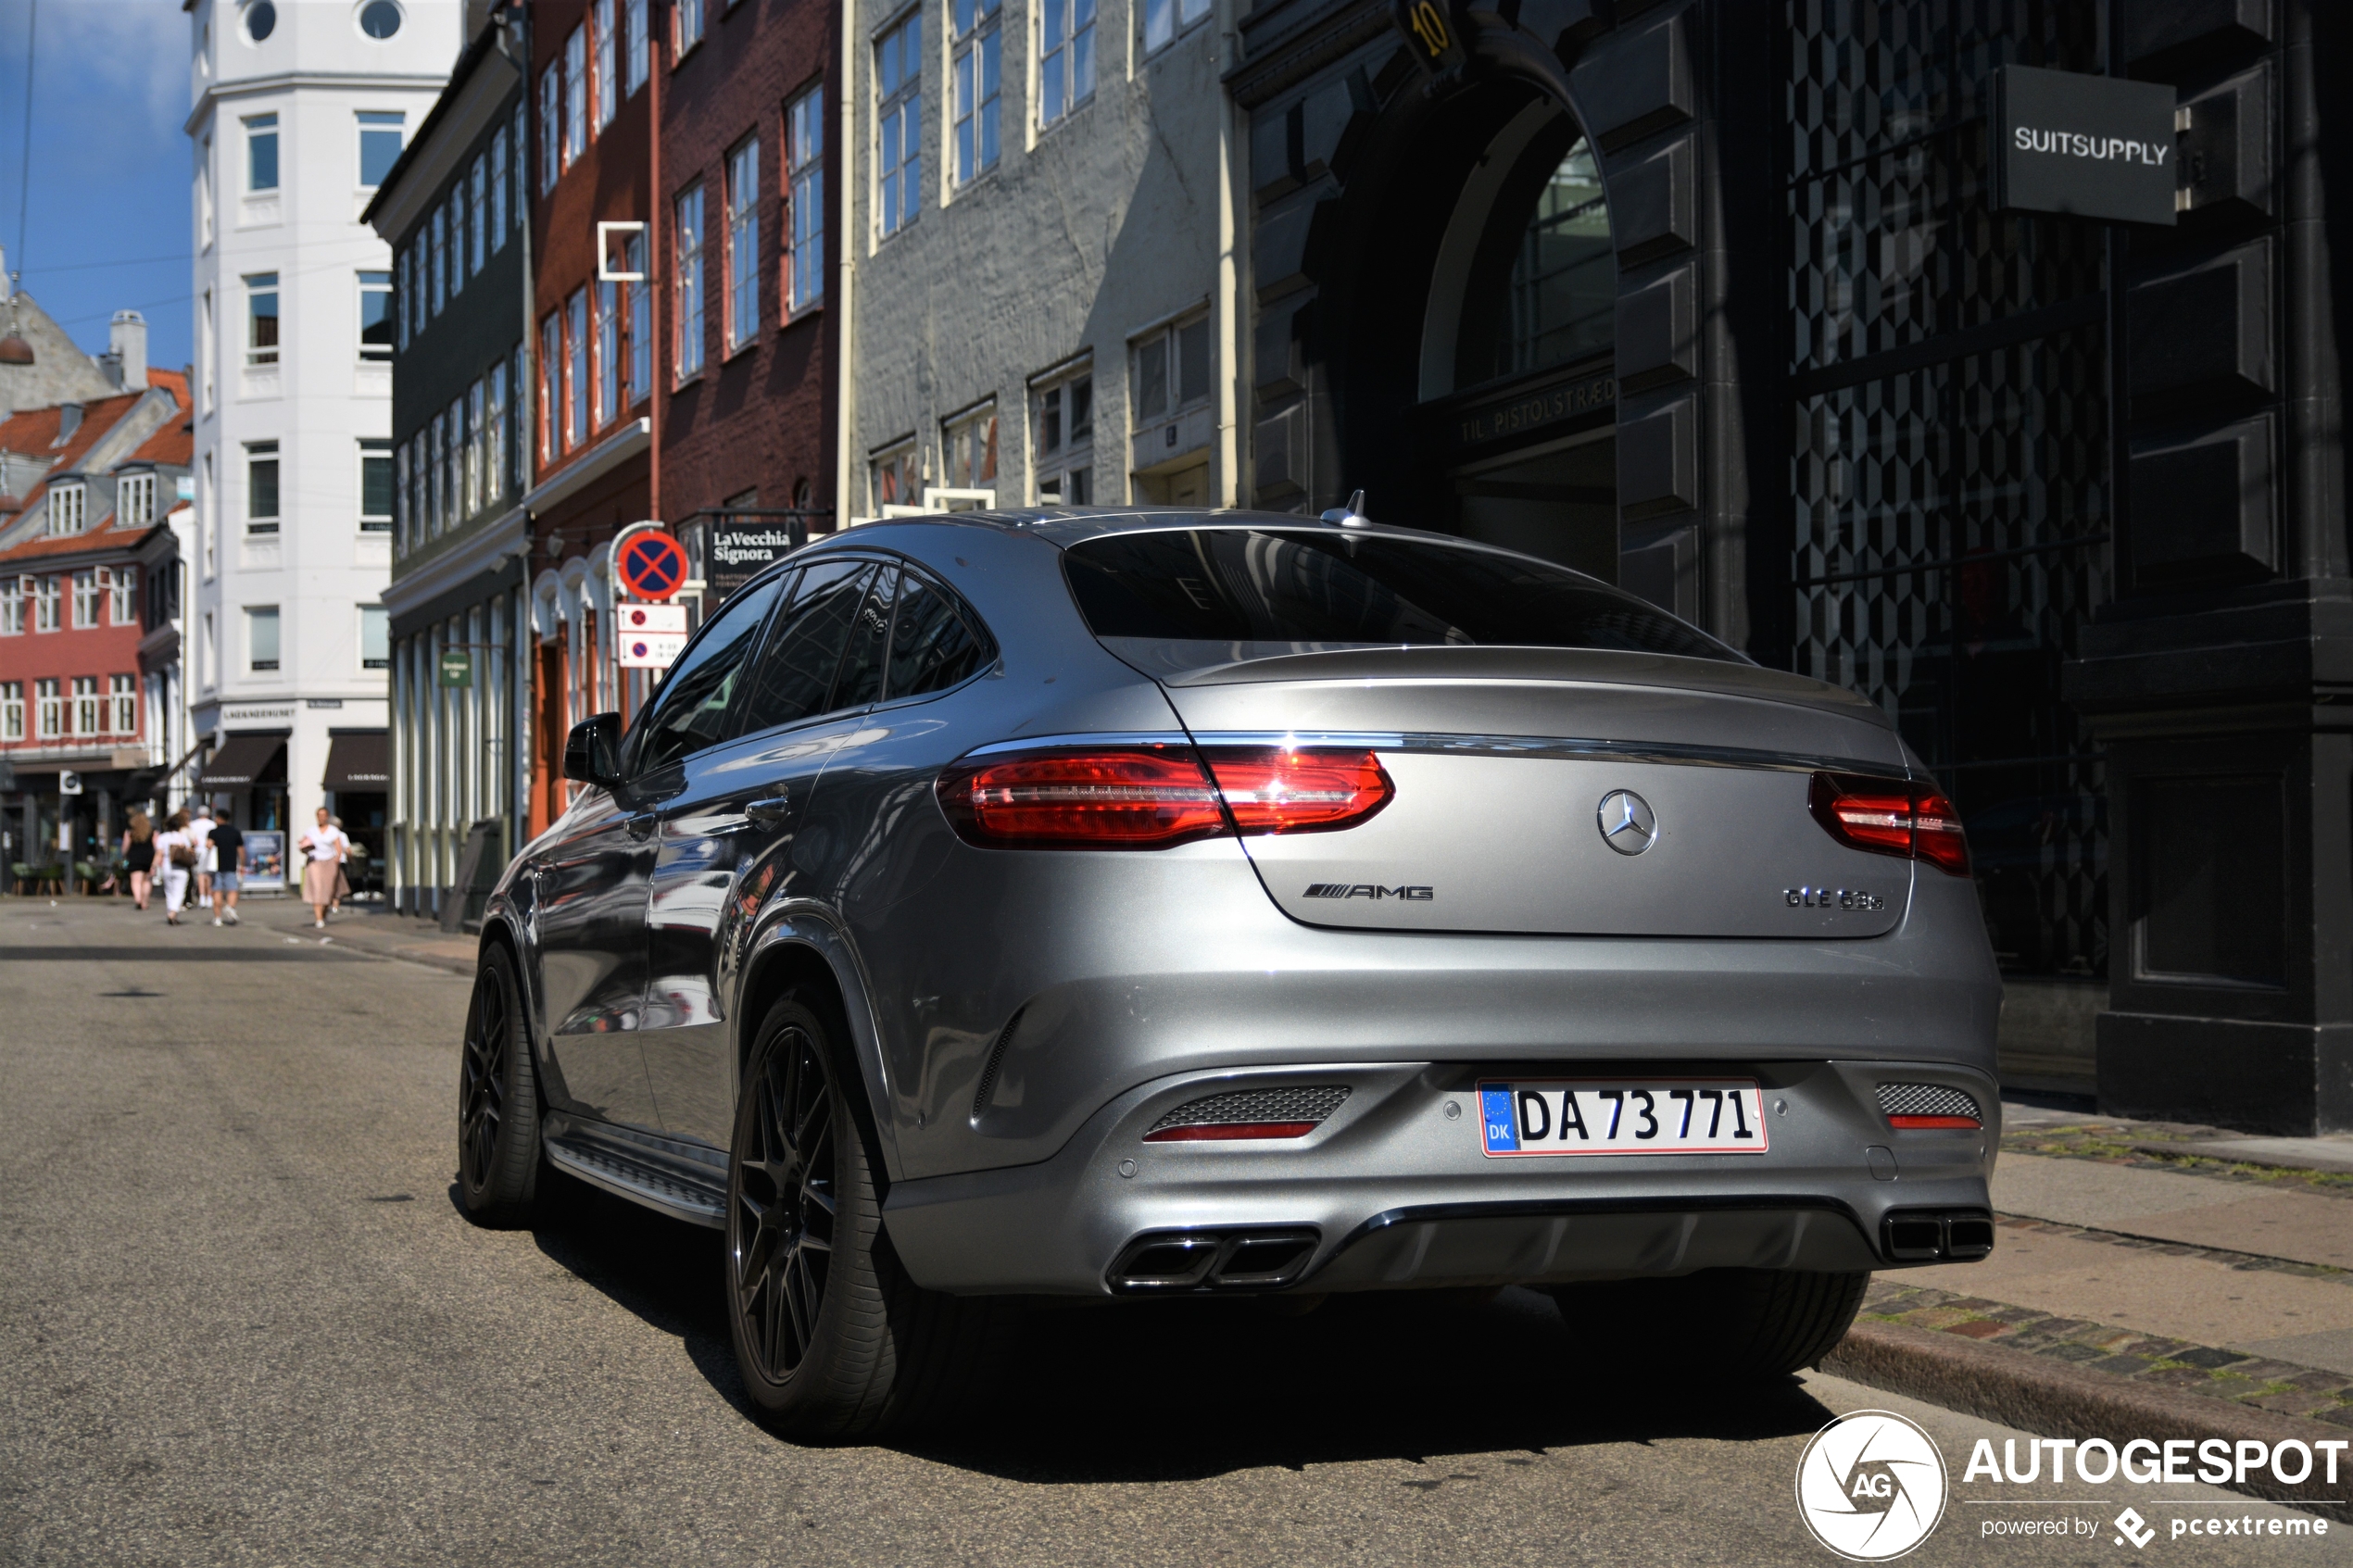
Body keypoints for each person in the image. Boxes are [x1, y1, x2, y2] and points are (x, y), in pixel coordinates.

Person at [297, 807, 348, 930]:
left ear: (327, 817)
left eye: (323, 815)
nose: (321, 818)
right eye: (319, 815)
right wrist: (304, 848)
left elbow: (338, 846)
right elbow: (303, 845)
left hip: (329, 862)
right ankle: (318, 919)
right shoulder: (311, 831)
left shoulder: (333, 831)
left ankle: (324, 913)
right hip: (315, 862)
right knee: (317, 889)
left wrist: (338, 858)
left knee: (328, 890)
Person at [155, 809, 195, 926]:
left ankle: (171, 912)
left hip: (167, 866)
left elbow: (159, 854)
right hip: (181, 867)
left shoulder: (162, 837)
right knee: (179, 892)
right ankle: (173, 913)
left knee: (169, 892)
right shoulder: (182, 837)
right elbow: (189, 850)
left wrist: (154, 867)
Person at [209, 802, 246, 926]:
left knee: (217, 891)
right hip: (230, 865)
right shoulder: (235, 832)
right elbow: (241, 850)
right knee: (232, 889)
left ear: (219, 818)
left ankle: (217, 918)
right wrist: (242, 864)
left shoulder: (213, 832)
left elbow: (208, 845)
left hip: (215, 865)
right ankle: (230, 907)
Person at [120, 810, 155, 909]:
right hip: (149, 857)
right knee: (147, 880)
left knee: (136, 880)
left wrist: (123, 854)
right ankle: (145, 902)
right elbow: (156, 845)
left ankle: (138, 899)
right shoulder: (152, 831)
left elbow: (125, 846)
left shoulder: (130, 831)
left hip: (134, 857)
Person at [187, 799, 217, 912]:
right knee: (209, 876)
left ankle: (202, 898)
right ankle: (209, 898)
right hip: (209, 851)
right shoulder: (212, 824)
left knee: (200, 875)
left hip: (198, 851)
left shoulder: (193, 824)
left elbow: (192, 839)